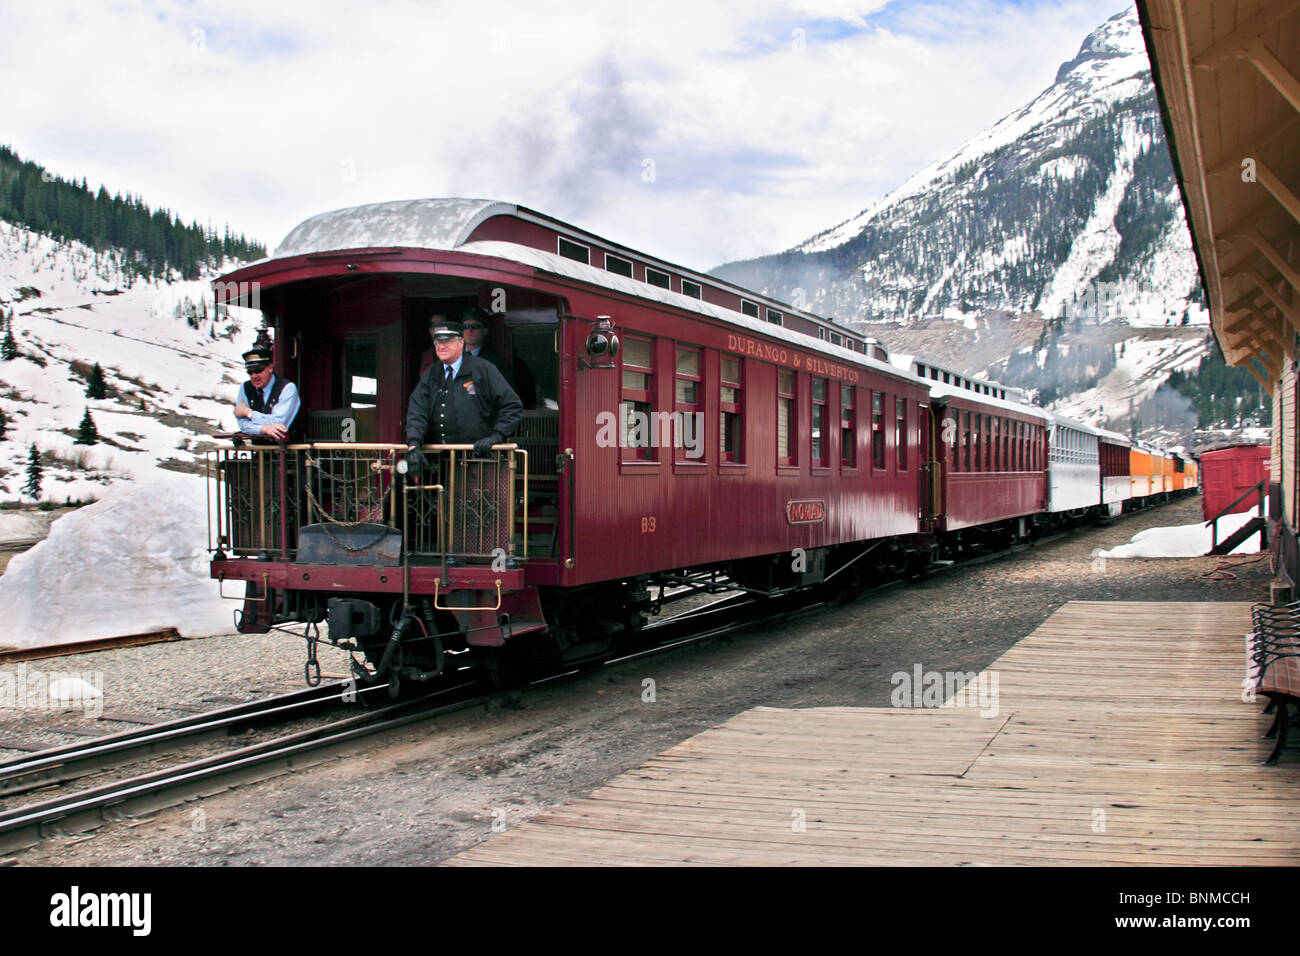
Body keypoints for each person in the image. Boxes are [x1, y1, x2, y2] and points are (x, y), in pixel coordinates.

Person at [405, 317, 522, 472]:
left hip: (477, 461)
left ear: (461, 343)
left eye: (447, 342)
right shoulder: (431, 373)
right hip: (437, 463)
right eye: (438, 342)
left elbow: (512, 405)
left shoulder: (483, 369)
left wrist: (496, 436)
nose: (441, 346)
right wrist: (414, 444)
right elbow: (417, 410)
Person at [234, 345, 301, 443]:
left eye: (258, 370)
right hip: (259, 452)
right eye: (250, 372)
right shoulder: (245, 388)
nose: (254, 376)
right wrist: (263, 429)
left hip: (289, 453)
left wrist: (248, 413)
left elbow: (279, 424)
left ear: (270, 367)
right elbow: (243, 424)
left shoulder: (287, 388)